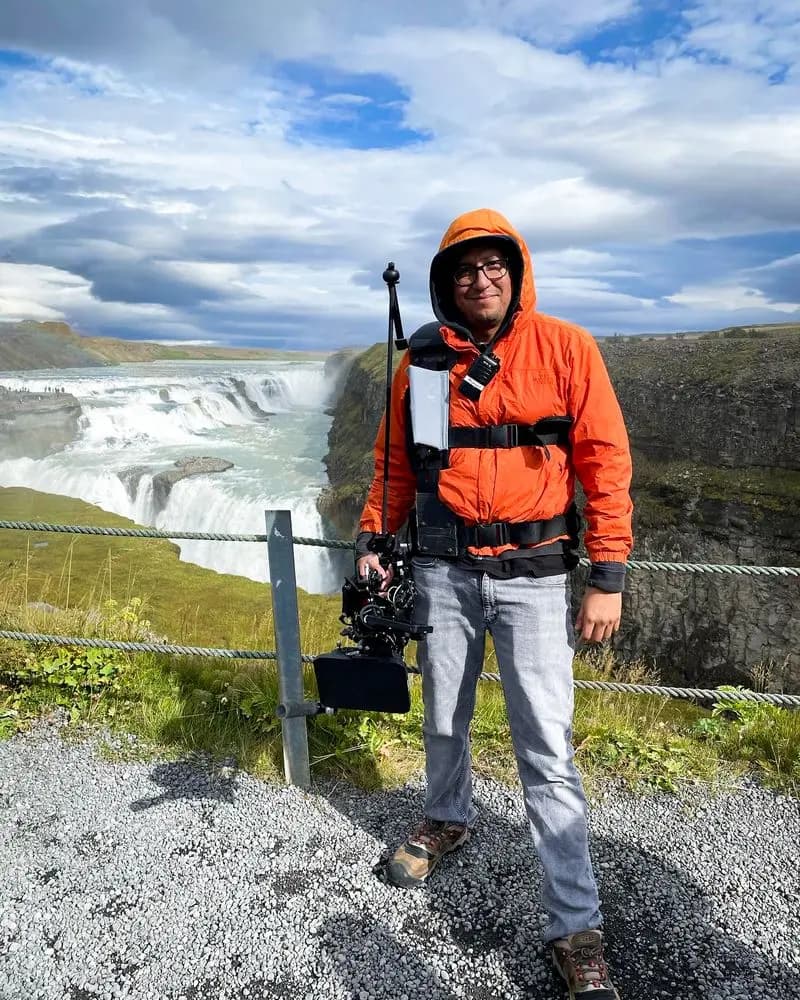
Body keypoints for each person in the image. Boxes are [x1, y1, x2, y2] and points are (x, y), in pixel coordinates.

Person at [355, 208, 633, 999]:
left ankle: (575, 927)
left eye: (494, 267)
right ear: (447, 280)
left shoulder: (567, 349)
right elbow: (392, 464)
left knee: (545, 742)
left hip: (536, 574)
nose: (481, 280)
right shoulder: (423, 364)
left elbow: (605, 463)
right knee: (443, 710)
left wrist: (606, 576)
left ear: (516, 274)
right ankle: (447, 818)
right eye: (466, 269)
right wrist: (375, 536)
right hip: (443, 569)